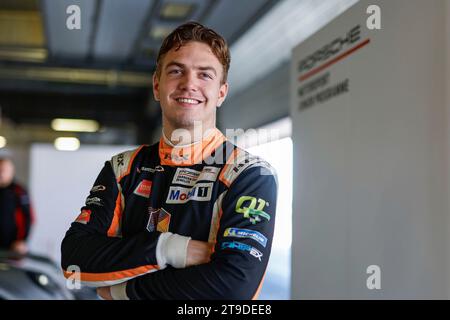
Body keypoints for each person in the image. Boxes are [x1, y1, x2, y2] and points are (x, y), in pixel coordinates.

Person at [61, 21, 278, 300]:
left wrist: (121, 291)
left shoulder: (250, 174)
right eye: (176, 71)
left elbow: (234, 287)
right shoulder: (123, 168)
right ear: (156, 85)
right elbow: (75, 259)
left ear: (221, 93)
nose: (189, 84)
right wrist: (172, 249)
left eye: (205, 75)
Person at [0, 149, 35, 255]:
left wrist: (22, 241)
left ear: (11, 172)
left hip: (11, 247)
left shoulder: (19, 191)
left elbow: (29, 217)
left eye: (3, 170)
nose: (1, 173)